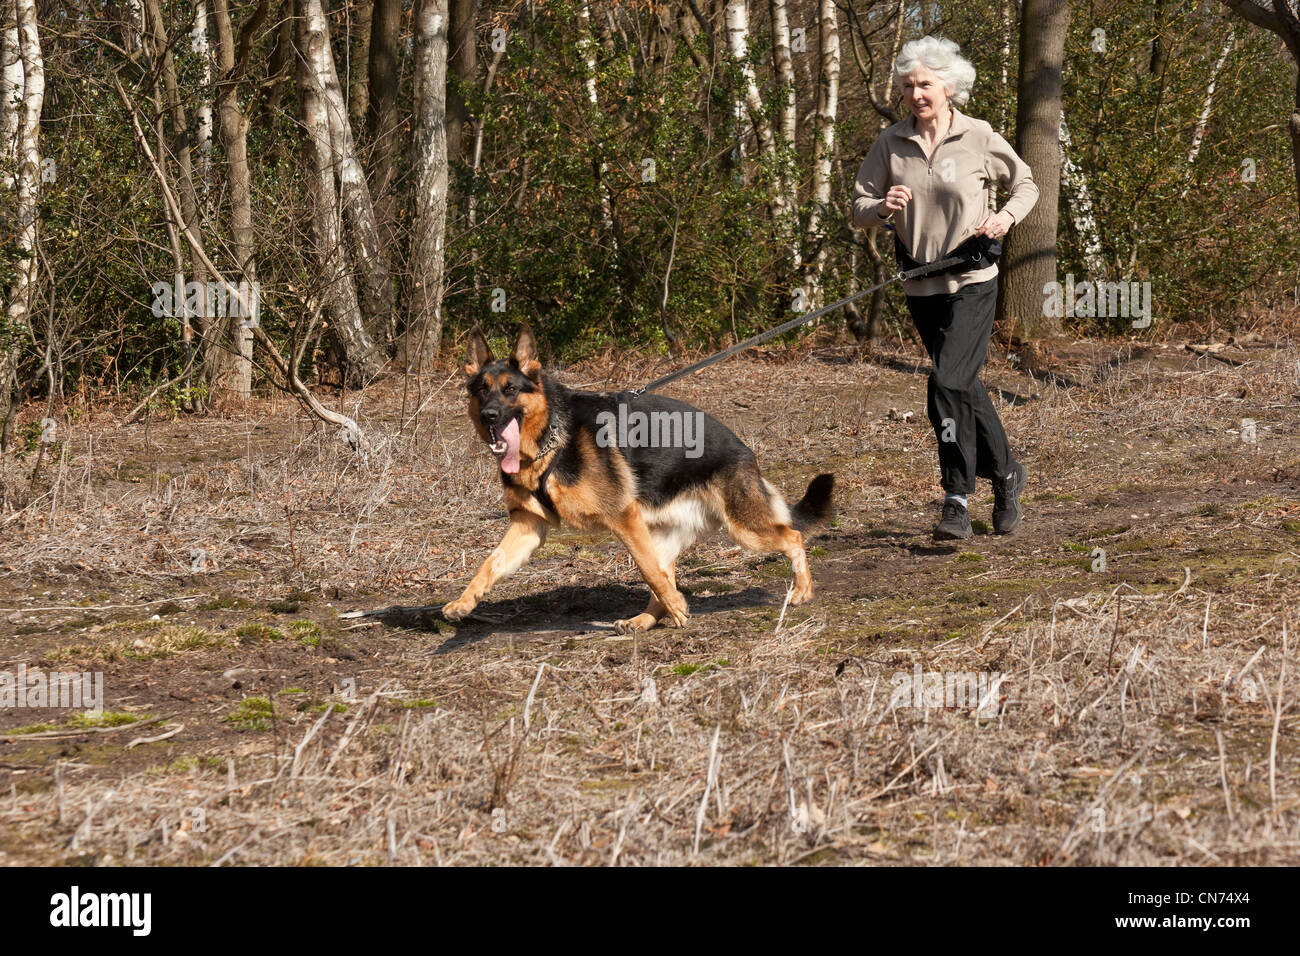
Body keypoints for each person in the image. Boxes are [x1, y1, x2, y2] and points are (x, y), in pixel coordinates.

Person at [851, 35, 1038, 541]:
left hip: (973, 279)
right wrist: (883, 206)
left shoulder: (977, 135)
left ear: (948, 87)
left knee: (946, 382)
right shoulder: (890, 143)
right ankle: (1006, 474)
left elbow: (1026, 184)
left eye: (925, 84)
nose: (916, 93)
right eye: (908, 85)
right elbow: (857, 209)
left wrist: (1004, 217)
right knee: (963, 384)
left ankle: (956, 498)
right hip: (921, 284)